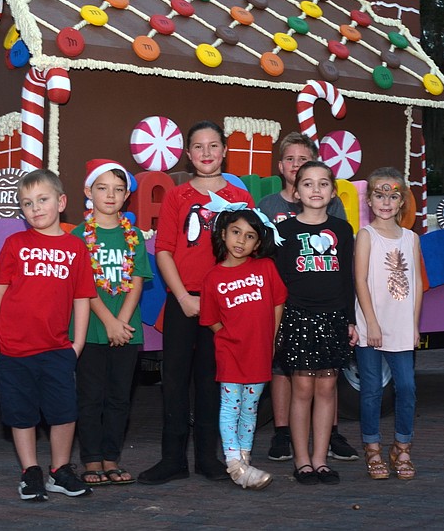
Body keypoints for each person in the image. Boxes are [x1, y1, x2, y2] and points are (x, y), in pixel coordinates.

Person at [138, 121, 255, 485]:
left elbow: (249, 253)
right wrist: (184, 297)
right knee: (173, 380)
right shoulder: (177, 195)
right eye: (199, 147)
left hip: (224, 306)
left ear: (224, 151)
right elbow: (165, 251)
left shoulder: (241, 198)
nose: (207, 153)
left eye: (213, 146)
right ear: (189, 154)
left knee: (212, 380)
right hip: (183, 302)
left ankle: (208, 457)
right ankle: (172, 458)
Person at [0, 169, 97, 501]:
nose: (35, 208)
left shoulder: (76, 248)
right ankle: (30, 471)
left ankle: (60, 470)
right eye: (27, 203)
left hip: (56, 349)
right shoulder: (15, 244)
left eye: (42, 200)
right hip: (14, 349)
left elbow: (81, 298)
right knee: (21, 413)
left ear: (61, 202)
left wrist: (76, 344)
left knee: (64, 412)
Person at [258, 132, 357, 463]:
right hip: (298, 318)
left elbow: (348, 278)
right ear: (296, 192)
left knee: (327, 388)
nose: (316, 190)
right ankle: (302, 460)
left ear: (332, 192)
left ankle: (321, 460)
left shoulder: (342, 231)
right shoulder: (283, 232)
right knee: (301, 389)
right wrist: (277, 324)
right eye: (308, 184)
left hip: (333, 318)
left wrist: (351, 320)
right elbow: (277, 282)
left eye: (323, 184)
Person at [72, 159, 153, 486]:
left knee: (120, 398)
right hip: (90, 330)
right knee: (90, 397)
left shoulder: (133, 236)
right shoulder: (78, 237)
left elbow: (136, 279)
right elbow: (82, 286)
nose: (110, 195)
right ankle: (91, 460)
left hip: (127, 332)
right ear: (88, 192)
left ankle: (111, 458)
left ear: (126, 197)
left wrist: (121, 322)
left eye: (118, 190)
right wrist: (107, 321)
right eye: (102, 188)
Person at [199, 206, 287, 489]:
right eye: (236, 232)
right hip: (230, 352)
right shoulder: (213, 277)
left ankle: (244, 460)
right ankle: (234, 463)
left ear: (258, 243)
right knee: (230, 407)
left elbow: (277, 304)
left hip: (259, 351)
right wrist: (228, 335)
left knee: (250, 409)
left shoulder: (266, 268)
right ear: (223, 234)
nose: (240, 240)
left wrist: (270, 341)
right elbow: (210, 318)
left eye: (249, 236)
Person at [354, 167, 422, 481]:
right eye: (380, 195)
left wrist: (415, 323)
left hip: (402, 325)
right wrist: (371, 323)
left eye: (393, 196)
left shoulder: (411, 238)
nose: (386, 201)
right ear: (369, 199)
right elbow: (360, 280)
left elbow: (418, 283)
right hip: (372, 325)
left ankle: (402, 446)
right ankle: (372, 448)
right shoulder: (366, 236)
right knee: (371, 391)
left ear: (401, 202)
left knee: (406, 388)